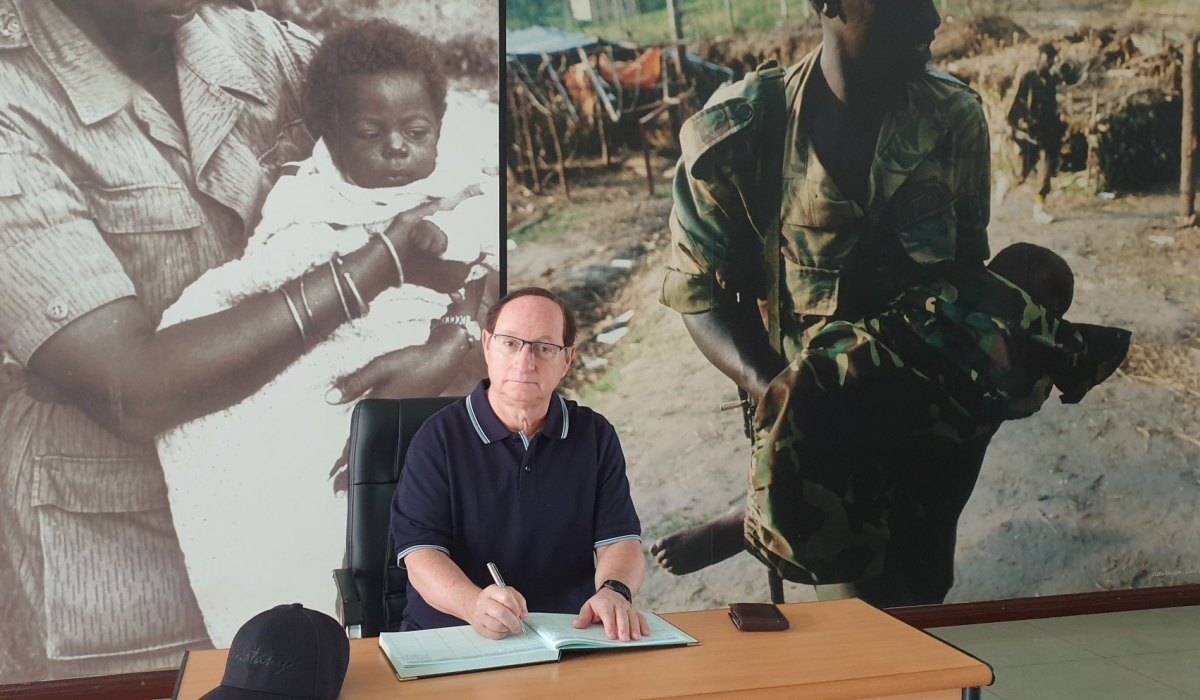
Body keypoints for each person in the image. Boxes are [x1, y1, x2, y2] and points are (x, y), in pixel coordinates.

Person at [0, 0, 464, 682]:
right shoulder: (14, 101)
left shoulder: (256, 47)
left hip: (313, 509)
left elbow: (456, 171)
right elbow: (131, 389)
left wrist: (460, 339)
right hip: (120, 554)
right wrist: (376, 266)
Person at [656, 0, 994, 607]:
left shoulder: (952, 118)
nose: (933, 18)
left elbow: (969, 273)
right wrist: (789, 403)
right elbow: (698, 296)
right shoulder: (741, 134)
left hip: (932, 423)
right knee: (865, 614)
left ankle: (755, 523)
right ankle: (762, 520)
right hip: (827, 437)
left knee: (926, 585)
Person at [740, 243, 1130, 588]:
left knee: (810, 444)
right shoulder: (1028, 343)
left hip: (852, 370)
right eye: (1058, 307)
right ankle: (752, 522)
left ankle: (753, 519)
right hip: (885, 403)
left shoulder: (959, 288)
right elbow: (1055, 372)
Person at [390, 287, 649, 642]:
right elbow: (421, 555)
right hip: (454, 638)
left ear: (567, 359)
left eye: (544, 348)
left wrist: (615, 590)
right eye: (510, 343)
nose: (525, 362)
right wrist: (473, 605)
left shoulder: (595, 435)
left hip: (567, 636)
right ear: (487, 345)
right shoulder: (437, 438)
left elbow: (619, 540)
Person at [1008, 43, 1063, 225]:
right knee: (1022, 173)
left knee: (1046, 170)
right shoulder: (1029, 78)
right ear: (1039, 57)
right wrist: (1015, 127)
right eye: (1046, 58)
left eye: (1051, 59)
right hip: (1029, 131)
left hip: (1047, 132)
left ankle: (1039, 207)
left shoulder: (1051, 81)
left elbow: (1052, 107)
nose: (1049, 62)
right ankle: (1004, 185)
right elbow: (1018, 104)